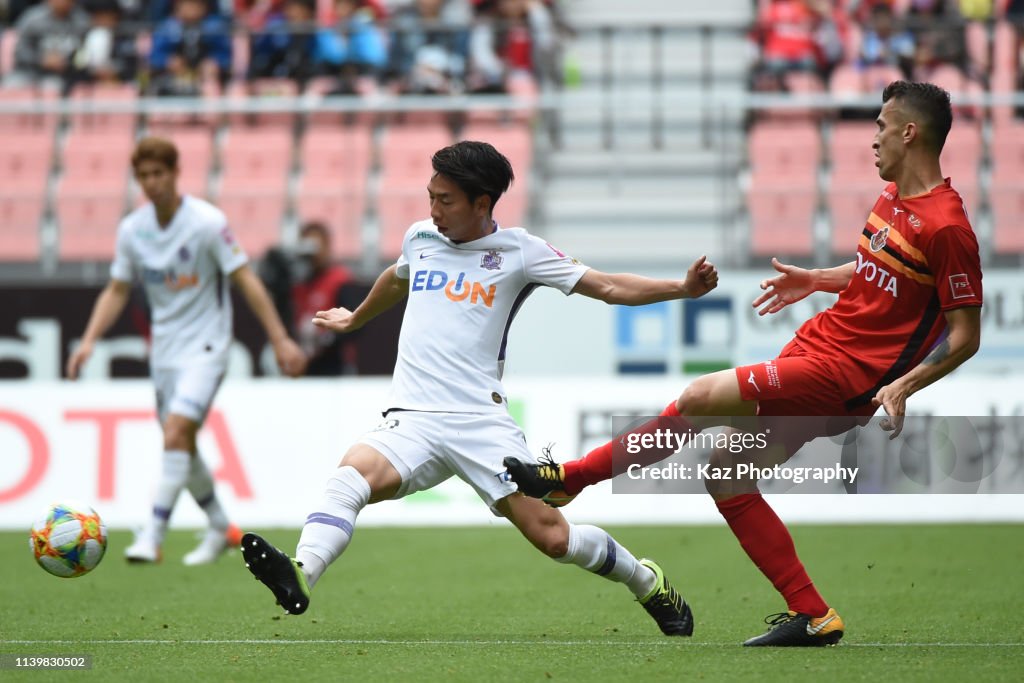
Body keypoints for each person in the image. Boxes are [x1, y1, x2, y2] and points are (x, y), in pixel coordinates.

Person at [504, 81, 983, 646]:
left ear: (910, 132)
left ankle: (574, 479)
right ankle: (814, 615)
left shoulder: (948, 225)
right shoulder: (892, 201)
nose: (872, 138)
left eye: (880, 126)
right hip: (817, 347)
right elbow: (885, 273)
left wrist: (904, 385)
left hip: (848, 378)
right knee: (727, 474)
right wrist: (817, 280)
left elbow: (965, 335)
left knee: (700, 397)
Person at [240, 140, 719, 636]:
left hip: (480, 423)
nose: (433, 210)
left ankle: (646, 581)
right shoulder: (421, 237)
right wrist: (356, 318)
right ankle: (302, 573)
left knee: (554, 539)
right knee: (349, 477)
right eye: (431, 197)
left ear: (483, 203)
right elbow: (397, 277)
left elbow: (608, 287)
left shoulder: (520, 251)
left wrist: (681, 289)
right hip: (413, 419)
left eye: (445, 200)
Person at [66, 137, 307, 566]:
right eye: (144, 176)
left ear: (176, 174)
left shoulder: (207, 222)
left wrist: (279, 337)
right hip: (165, 353)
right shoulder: (133, 230)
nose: (152, 183)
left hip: (208, 346)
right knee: (182, 444)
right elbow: (118, 289)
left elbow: (246, 279)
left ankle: (153, 535)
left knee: (177, 432)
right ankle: (219, 525)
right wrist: (87, 341)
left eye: (159, 173)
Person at [290, 220, 360, 376]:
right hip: (305, 365)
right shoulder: (300, 285)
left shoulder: (340, 280)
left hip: (335, 366)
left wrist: (328, 339)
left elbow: (355, 323)